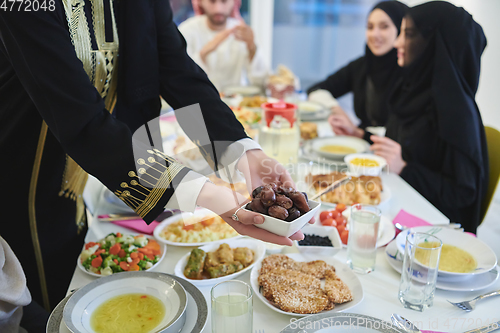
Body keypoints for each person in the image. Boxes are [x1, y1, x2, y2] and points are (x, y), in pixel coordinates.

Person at [0, 0, 302, 312]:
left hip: (84, 172)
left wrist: (243, 151)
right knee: (37, 300)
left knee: (71, 273)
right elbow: (80, 120)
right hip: (19, 177)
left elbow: (178, 70)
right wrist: (203, 193)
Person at [370, 1, 488, 233]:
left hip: (432, 233)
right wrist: (359, 134)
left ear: (436, 43)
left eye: (409, 34)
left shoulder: (456, 113)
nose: (397, 43)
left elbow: (463, 194)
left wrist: (405, 168)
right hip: (401, 204)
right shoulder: (412, 91)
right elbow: (404, 151)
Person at [307, 1, 408, 141]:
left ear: (401, 30)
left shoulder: (410, 71)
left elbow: (405, 137)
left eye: (384, 27)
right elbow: (315, 89)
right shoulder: (362, 65)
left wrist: (357, 132)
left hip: (392, 155)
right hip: (360, 147)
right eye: (370, 27)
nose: (375, 34)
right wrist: (336, 109)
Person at [178, 0, 268, 91]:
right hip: (197, 100)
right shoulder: (186, 30)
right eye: (212, 2)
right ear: (201, 2)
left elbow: (261, 82)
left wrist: (252, 48)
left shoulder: (242, 32)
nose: (218, 9)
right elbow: (179, 79)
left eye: (224, 1)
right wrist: (204, 52)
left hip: (236, 101)